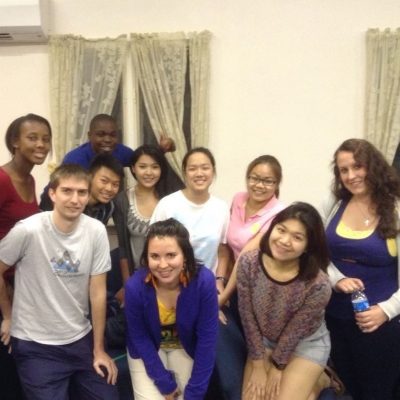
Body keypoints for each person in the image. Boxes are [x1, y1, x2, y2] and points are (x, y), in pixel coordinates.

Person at [0, 164, 118, 400]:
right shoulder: (28, 230)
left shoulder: (96, 231)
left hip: (80, 340)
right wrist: (8, 315)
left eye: (82, 192)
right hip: (36, 345)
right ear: (52, 194)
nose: (75, 199)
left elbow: (97, 292)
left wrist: (99, 349)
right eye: (67, 191)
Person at [323, 138, 400, 400]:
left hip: (381, 325)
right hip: (335, 318)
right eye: (343, 170)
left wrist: (385, 311)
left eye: (357, 167)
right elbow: (315, 250)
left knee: (377, 392)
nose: (351, 176)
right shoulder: (333, 203)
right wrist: (336, 279)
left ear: (373, 166)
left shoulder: (396, 208)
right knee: (348, 390)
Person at [237, 203, 332, 400]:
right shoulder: (248, 263)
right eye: (281, 230)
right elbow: (247, 315)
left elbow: (295, 330)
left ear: (308, 246)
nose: (284, 241)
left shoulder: (318, 284)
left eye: (297, 237)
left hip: (305, 343)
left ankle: (320, 380)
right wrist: (258, 364)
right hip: (264, 340)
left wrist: (277, 366)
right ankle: (313, 384)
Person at [124, 218, 219, 400]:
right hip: (149, 350)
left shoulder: (204, 281)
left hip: (185, 345)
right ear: (146, 258)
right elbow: (139, 337)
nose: (162, 265)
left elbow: (207, 340)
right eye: (155, 256)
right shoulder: (135, 287)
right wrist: (164, 382)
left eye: (171, 255)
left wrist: (194, 394)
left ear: (185, 256)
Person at [216, 155, 286, 400]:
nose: (259, 185)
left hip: (261, 294)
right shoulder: (238, 199)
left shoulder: (279, 213)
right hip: (235, 285)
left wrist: (220, 298)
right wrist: (219, 279)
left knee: (258, 353)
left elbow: (246, 256)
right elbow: (226, 245)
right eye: (254, 178)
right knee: (234, 347)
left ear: (277, 184)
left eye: (268, 181)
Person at [0, 113, 52, 400]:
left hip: (18, 287)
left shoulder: (30, 180)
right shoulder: (2, 180)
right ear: (14, 142)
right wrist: (7, 314)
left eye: (46, 139)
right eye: (33, 138)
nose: (41, 144)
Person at [39, 113, 175, 209]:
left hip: (101, 209)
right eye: (101, 134)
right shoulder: (75, 159)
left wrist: (161, 149)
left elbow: (142, 161)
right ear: (89, 136)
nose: (107, 140)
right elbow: (58, 192)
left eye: (112, 135)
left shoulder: (121, 152)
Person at [150, 147, 230, 284]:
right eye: (192, 169)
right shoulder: (167, 205)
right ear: (185, 173)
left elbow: (222, 251)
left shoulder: (221, 208)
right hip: (170, 284)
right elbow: (152, 247)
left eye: (205, 168)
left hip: (206, 284)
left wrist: (219, 281)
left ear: (213, 171)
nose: (199, 173)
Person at [113, 144, 170, 284]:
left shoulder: (170, 198)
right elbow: (123, 247)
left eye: (155, 167)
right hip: (138, 276)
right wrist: (128, 283)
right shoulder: (122, 200)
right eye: (143, 167)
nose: (149, 172)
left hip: (169, 275)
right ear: (133, 168)